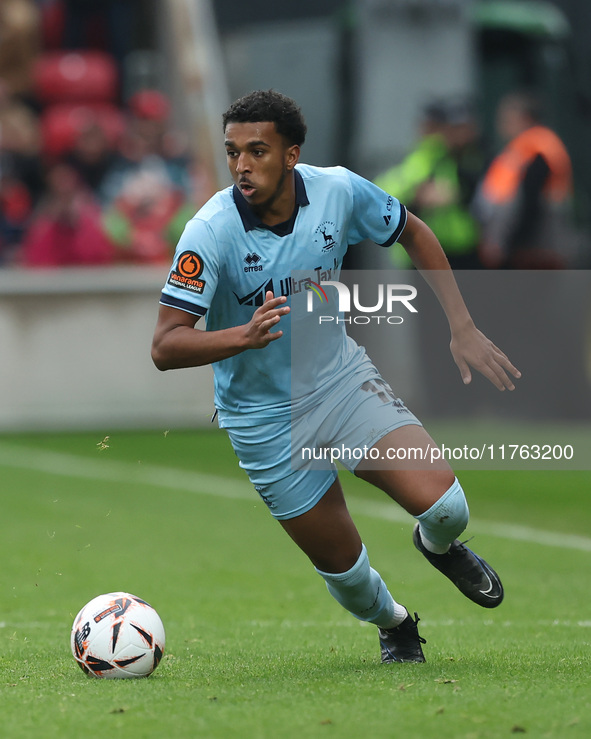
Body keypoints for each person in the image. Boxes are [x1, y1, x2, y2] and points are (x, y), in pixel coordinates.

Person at [151, 90, 521, 664]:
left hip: (340, 385)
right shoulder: (210, 233)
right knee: (349, 577)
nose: (242, 166)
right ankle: (396, 624)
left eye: (257, 151)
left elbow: (415, 232)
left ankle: (437, 545)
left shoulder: (340, 191)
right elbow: (165, 344)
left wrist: (463, 326)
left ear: (292, 154)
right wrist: (240, 336)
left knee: (448, 508)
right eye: (232, 153)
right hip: (264, 420)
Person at [374, 97, 485, 270]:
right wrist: (417, 195)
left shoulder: (467, 155)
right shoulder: (430, 155)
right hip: (431, 249)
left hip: (453, 247)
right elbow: (385, 190)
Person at [474, 91, 574, 269]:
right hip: (527, 249)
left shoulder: (539, 150)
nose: (501, 125)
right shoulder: (524, 148)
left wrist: (508, 245)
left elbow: (531, 204)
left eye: (507, 119)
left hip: (535, 251)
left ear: (526, 118)